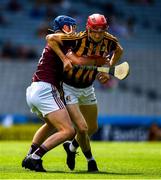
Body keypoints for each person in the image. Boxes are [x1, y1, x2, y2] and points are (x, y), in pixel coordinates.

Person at [46, 13, 123, 172]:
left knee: (92, 127)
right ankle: (91, 161)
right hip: (69, 87)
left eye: (101, 30)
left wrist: (107, 71)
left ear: (105, 29)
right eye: (94, 30)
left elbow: (119, 51)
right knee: (82, 128)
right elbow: (50, 38)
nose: (97, 34)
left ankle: (72, 148)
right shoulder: (77, 38)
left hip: (88, 88)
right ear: (88, 28)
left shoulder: (109, 40)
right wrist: (65, 59)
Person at [21, 15, 77, 172]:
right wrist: (66, 59)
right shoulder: (62, 39)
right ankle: (35, 158)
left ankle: (30, 155)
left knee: (51, 124)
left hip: (35, 89)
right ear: (65, 27)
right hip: (45, 89)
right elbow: (49, 37)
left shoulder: (63, 42)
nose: (75, 30)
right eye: (72, 26)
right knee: (68, 131)